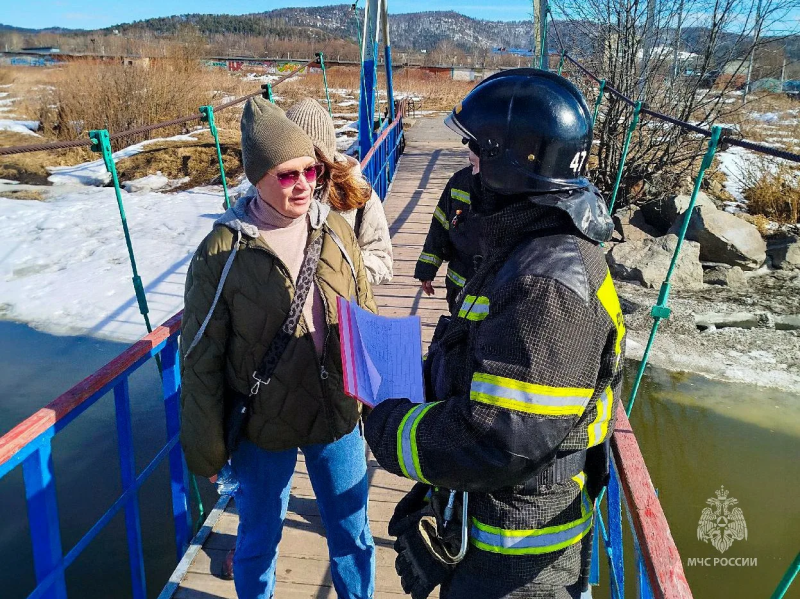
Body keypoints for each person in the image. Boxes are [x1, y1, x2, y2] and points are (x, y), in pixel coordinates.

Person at [364, 69, 626, 599]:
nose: (468, 157)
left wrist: (386, 425)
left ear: (512, 161)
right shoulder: (528, 246)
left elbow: (494, 442)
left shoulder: (547, 285)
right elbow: (492, 372)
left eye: (476, 147)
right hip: (490, 527)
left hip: (517, 561)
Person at [180, 96, 376, 599]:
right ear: (257, 176)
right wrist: (207, 449)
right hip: (263, 424)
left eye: (311, 170)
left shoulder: (335, 229)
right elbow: (200, 358)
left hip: (336, 410)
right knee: (258, 537)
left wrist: (381, 395)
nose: (304, 184)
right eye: (288, 175)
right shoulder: (222, 252)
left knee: (353, 534)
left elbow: (365, 313)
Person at [238, 97, 393, 286]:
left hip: (340, 301)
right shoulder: (262, 193)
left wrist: (331, 269)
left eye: (312, 167)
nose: (302, 182)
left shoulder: (357, 195)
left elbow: (382, 262)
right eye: (288, 171)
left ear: (326, 158)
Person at [414, 142, 482, 314]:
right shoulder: (459, 182)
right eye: (472, 164)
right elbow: (440, 226)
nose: (475, 173)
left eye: (479, 165)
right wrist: (427, 269)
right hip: (458, 285)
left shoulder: (513, 190)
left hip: (492, 291)